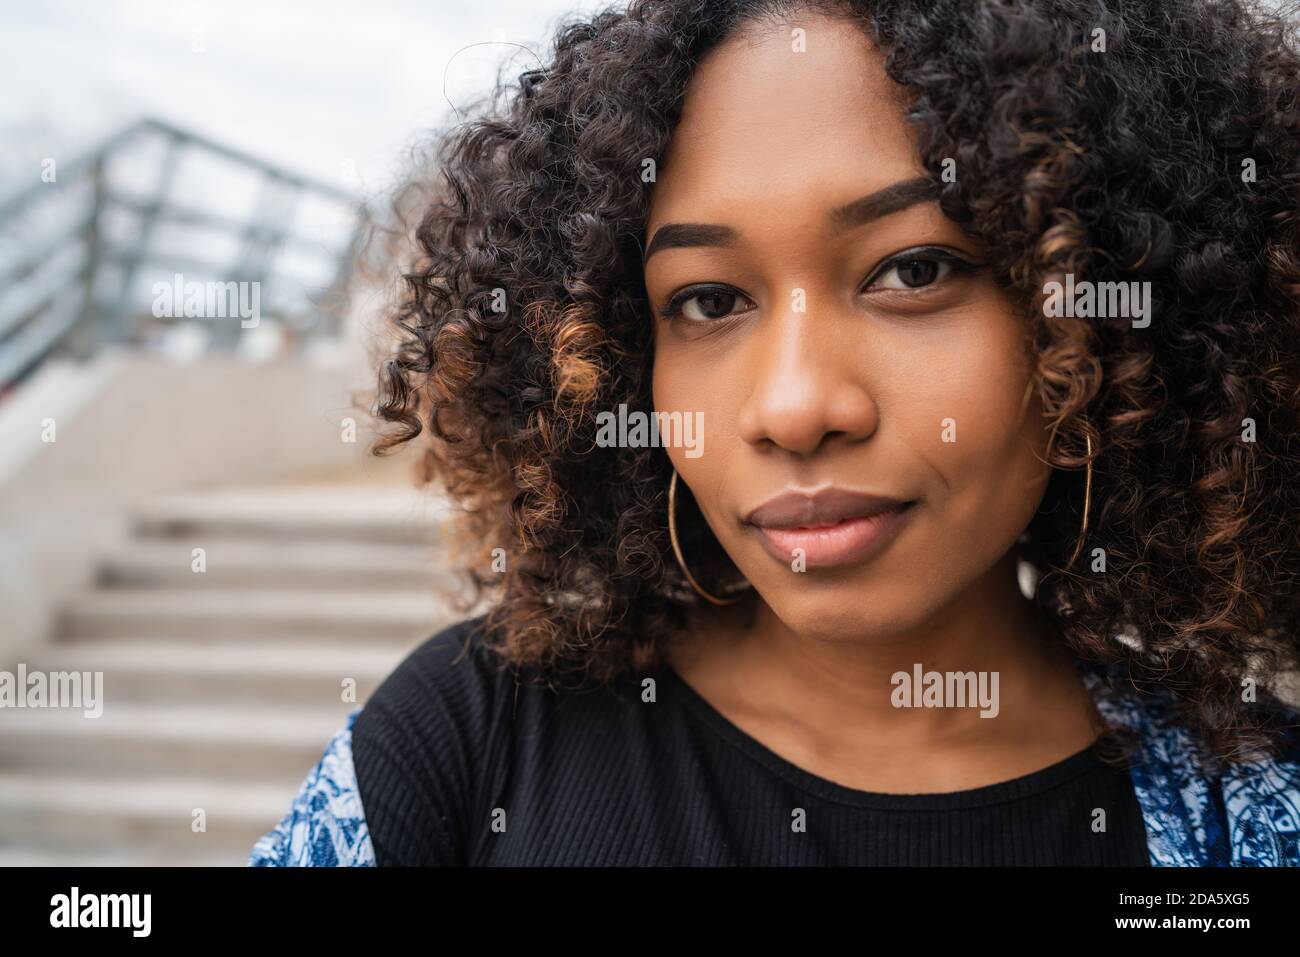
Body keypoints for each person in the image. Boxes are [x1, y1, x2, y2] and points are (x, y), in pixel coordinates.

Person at [250, 0, 1300, 866]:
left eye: (912, 270)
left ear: (1102, 312)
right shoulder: (469, 744)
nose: (793, 408)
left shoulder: (1245, 819)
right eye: (707, 301)